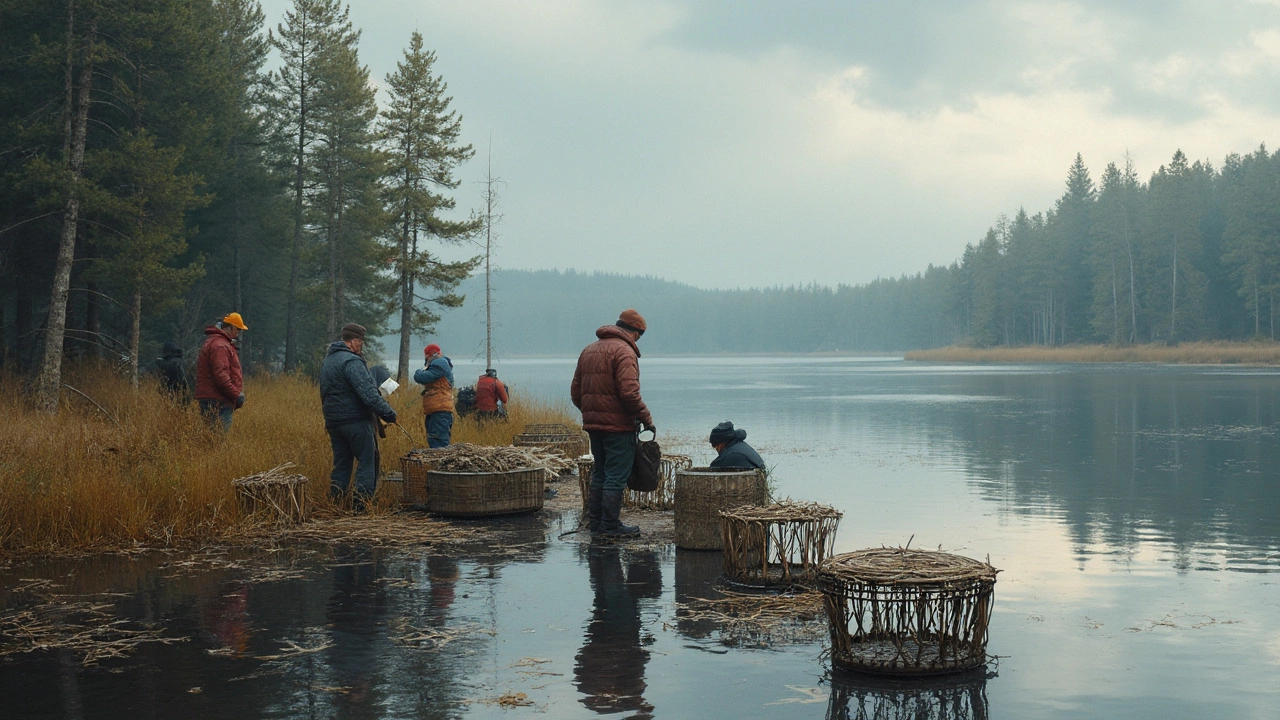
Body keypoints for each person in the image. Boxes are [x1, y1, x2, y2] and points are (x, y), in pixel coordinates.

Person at [570, 309, 655, 537]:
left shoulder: (588, 350)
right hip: (618, 428)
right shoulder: (625, 352)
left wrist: (591, 413)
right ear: (635, 331)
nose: (638, 339)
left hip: (593, 426)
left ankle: (596, 523)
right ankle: (610, 526)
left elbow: (575, 392)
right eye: (640, 334)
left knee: (600, 472)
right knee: (616, 475)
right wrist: (646, 419)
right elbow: (629, 394)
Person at [320, 323, 398, 510]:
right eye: (360, 342)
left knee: (342, 464)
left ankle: (335, 503)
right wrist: (388, 413)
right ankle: (361, 505)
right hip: (355, 421)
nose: (361, 345)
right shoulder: (352, 362)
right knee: (367, 460)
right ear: (353, 341)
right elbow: (369, 394)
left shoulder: (328, 362)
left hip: (333, 422)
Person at [195, 313, 247, 431]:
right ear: (231, 327)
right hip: (218, 399)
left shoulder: (215, 342)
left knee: (210, 437)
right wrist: (236, 394)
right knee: (218, 439)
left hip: (213, 397)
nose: (238, 333)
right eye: (238, 329)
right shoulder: (220, 346)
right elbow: (221, 376)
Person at [415, 343, 454, 448]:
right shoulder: (440, 363)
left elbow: (421, 377)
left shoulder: (439, 363)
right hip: (437, 409)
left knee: (438, 443)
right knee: (434, 439)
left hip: (439, 409)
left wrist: (419, 371)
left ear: (428, 355)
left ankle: (439, 463)